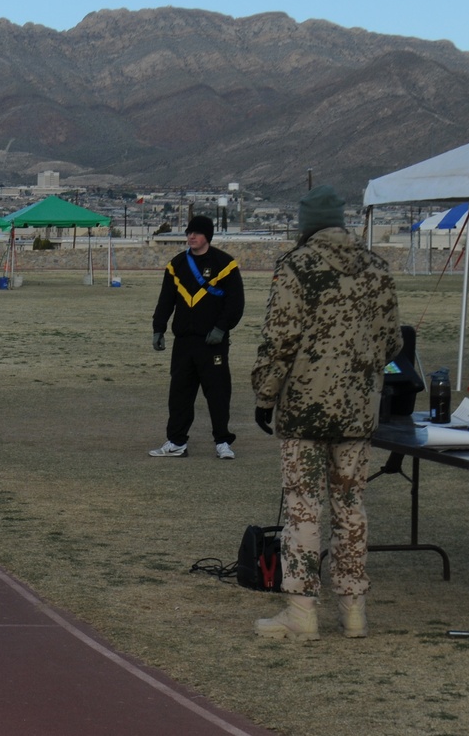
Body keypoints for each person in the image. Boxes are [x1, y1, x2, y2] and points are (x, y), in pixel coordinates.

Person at [251, 185, 402, 641]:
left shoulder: (296, 267)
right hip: (357, 411)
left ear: (306, 223)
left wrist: (265, 395)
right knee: (351, 507)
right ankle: (354, 610)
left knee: (303, 510)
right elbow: (392, 341)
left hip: (305, 410)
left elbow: (280, 340)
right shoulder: (376, 268)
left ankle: (301, 611)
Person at [149, 214, 244, 459]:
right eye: (189, 232)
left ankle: (223, 442)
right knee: (179, 394)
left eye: (197, 233)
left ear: (207, 237)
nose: (191, 236)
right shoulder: (177, 265)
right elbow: (166, 300)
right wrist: (158, 328)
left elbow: (235, 303)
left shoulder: (226, 265)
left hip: (212, 342)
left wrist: (221, 328)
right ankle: (176, 442)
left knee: (218, 393)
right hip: (184, 342)